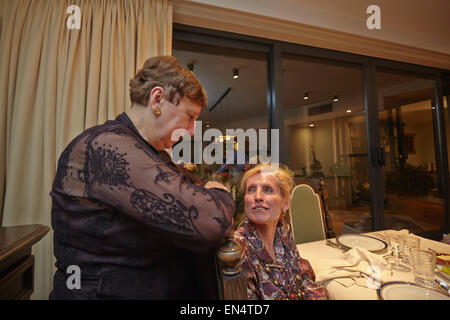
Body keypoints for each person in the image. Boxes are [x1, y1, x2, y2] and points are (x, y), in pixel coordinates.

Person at [50, 56, 235, 299]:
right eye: (190, 116)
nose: (191, 131)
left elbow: (192, 189)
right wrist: (221, 192)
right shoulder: (106, 146)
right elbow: (212, 221)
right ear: (157, 99)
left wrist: (208, 191)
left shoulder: (151, 153)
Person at [234, 164, 328, 300]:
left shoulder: (283, 233)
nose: (258, 196)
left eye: (267, 189)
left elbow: (304, 282)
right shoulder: (239, 248)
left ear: (285, 203)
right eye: (251, 190)